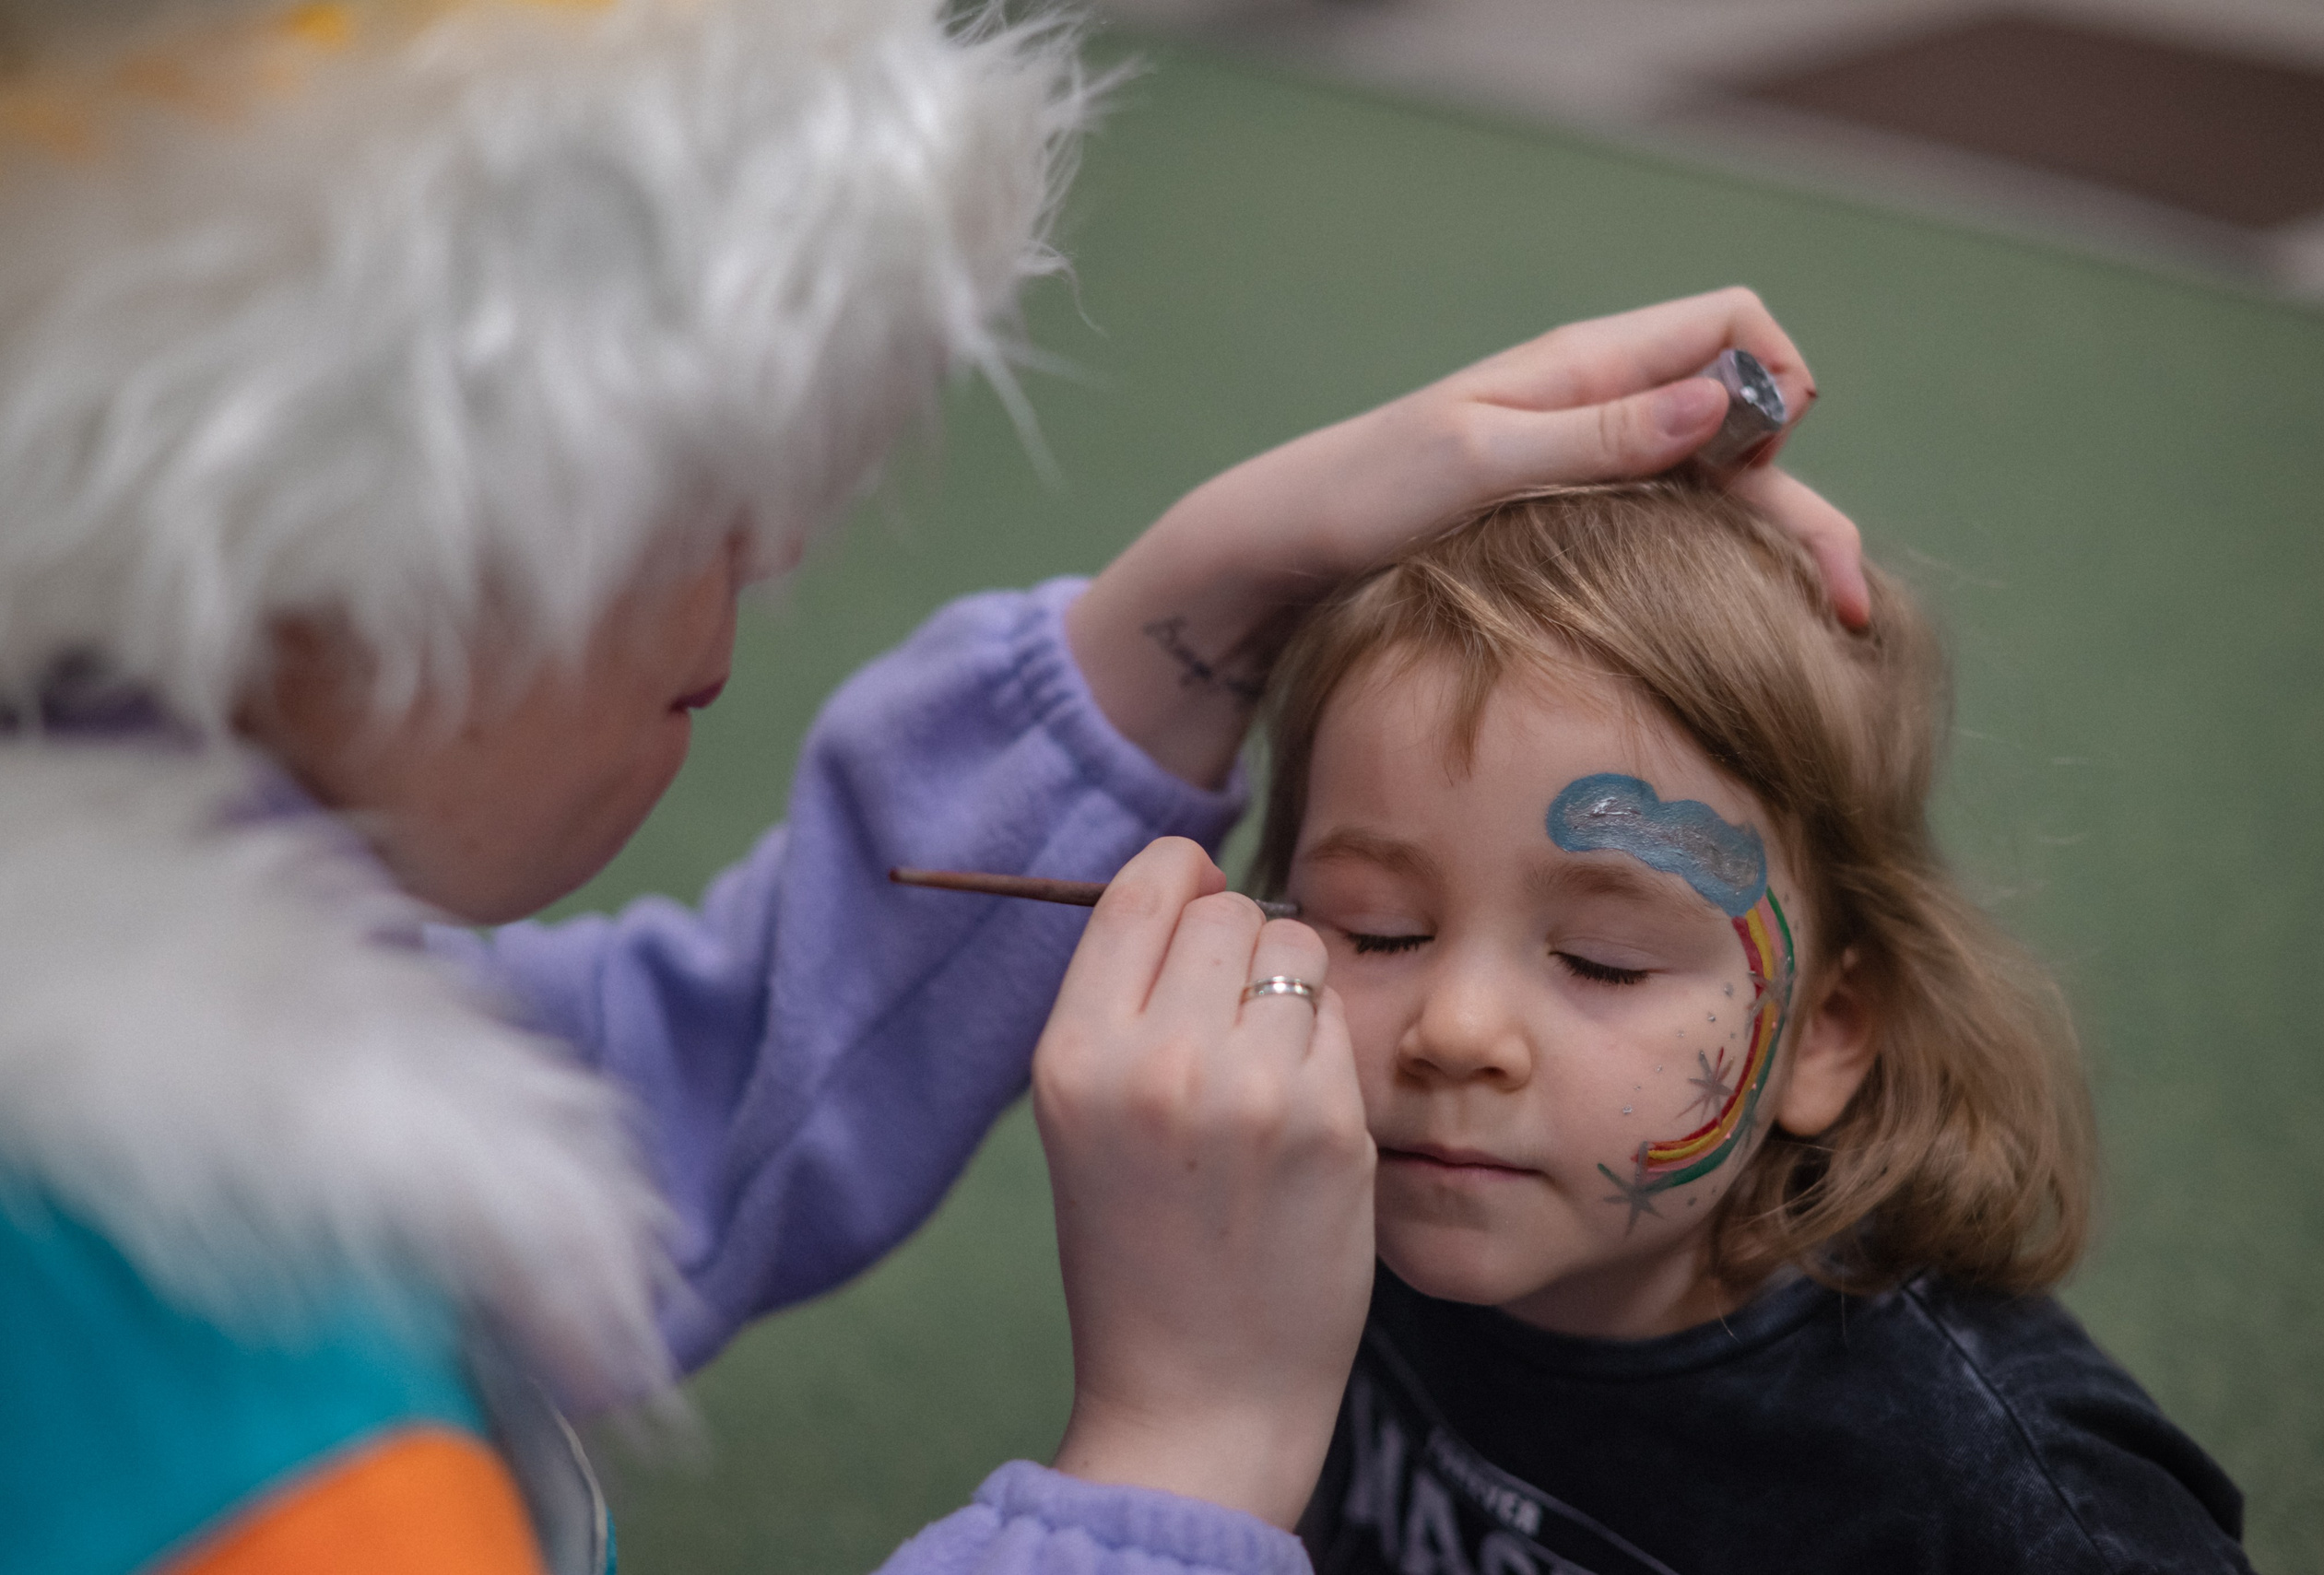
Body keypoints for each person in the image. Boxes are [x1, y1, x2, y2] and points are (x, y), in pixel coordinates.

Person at [0, 0, 1867, 1570]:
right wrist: (1181, 1447)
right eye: (695, 490)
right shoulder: (265, 1455)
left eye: (1603, 960)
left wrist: (1198, 610)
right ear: (330, 522)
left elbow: (656, 1086)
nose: (774, 543)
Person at [1216, 483, 2256, 1573]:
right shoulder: (1322, 1211)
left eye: (1602, 960)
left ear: (1824, 1034)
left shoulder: (1999, 1493)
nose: (1457, 1028)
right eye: (1377, 932)